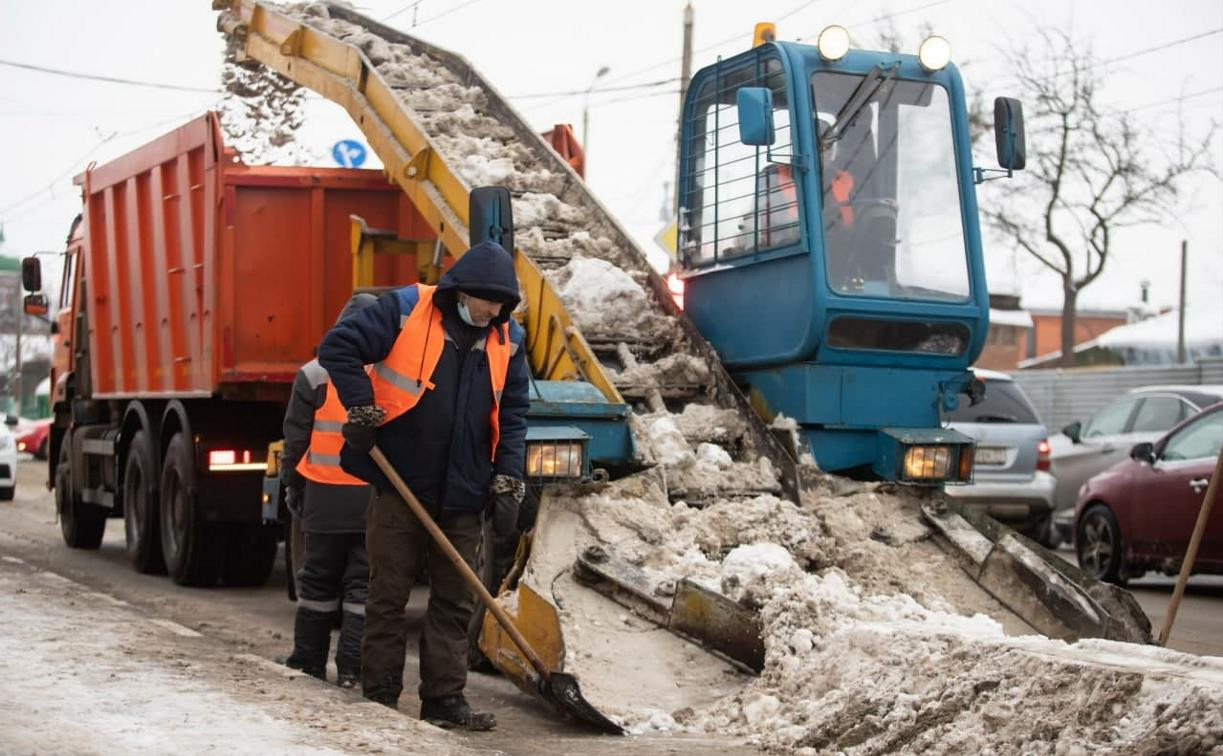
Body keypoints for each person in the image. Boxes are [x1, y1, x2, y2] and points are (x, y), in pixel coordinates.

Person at [318, 240, 529, 731]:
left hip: (465, 488)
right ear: (463, 291)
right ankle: (381, 694)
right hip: (400, 481)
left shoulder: (507, 338)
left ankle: (444, 699)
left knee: (455, 600)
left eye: (501, 305)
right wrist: (361, 406)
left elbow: (514, 414)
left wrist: (507, 478)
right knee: (388, 594)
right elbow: (338, 347)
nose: (494, 312)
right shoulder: (407, 309)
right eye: (487, 302)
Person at [281, 293, 378, 687]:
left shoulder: (313, 373)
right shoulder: (385, 374)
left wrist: (292, 482)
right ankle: (352, 669)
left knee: (318, 581)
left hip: (321, 494)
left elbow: (295, 437)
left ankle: (307, 661)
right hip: (370, 497)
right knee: (362, 585)